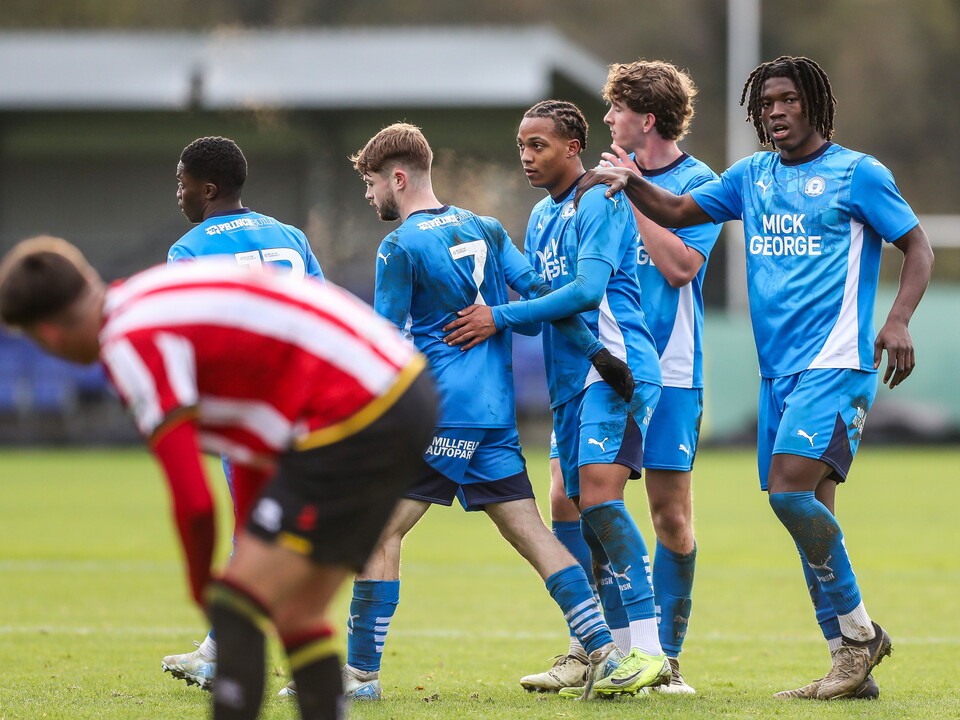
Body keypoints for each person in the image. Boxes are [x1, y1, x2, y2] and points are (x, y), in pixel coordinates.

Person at [575, 55, 935, 700]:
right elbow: (680, 210)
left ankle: (859, 635)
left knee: (788, 493)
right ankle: (846, 664)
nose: (775, 110)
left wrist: (899, 319)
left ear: (814, 105)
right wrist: (630, 182)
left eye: (788, 99)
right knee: (809, 511)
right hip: (779, 373)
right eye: (766, 101)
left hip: (836, 361)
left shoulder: (858, 173)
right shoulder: (751, 176)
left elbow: (918, 245)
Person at [0, 236, 437, 720]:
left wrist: (201, 590)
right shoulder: (149, 298)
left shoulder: (128, 339)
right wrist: (251, 542)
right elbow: (252, 443)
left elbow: (193, 501)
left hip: (356, 409)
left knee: (237, 605)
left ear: (48, 335)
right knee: (296, 613)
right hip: (401, 389)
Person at [333, 122, 636, 702]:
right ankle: (606, 654)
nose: (370, 196)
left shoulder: (399, 247)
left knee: (378, 529)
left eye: (371, 184)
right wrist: (598, 353)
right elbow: (541, 296)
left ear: (398, 178)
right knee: (531, 532)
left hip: (441, 413)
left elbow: (387, 344)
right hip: (494, 415)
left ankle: (360, 678)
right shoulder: (486, 227)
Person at [443, 100, 673, 698]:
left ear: (573, 146)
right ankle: (605, 649)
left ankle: (651, 653)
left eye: (538, 145)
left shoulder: (599, 199)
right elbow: (544, 300)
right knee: (571, 506)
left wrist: (503, 316)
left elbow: (588, 290)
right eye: (521, 144)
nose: (526, 156)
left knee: (598, 497)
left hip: (616, 372)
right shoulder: (542, 216)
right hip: (576, 377)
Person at [519, 60, 720, 695]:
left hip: (668, 365)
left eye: (617, 110)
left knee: (670, 517)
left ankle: (664, 659)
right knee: (568, 495)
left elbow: (682, 268)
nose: (608, 119)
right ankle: (591, 645)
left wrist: (630, 195)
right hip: (590, 366)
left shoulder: (697, 183)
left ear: (647, 119)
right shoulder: (586, 189)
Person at [162, 135, 325, 689]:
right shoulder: (291, 237)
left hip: (252, 411)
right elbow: (325, 315)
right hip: (308, 403)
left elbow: (191, 338)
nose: (178, 193)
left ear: (207, 188)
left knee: (261, 529)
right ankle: (221, 648)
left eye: (182, 182)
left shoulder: (189, 250)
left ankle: (251, 657)